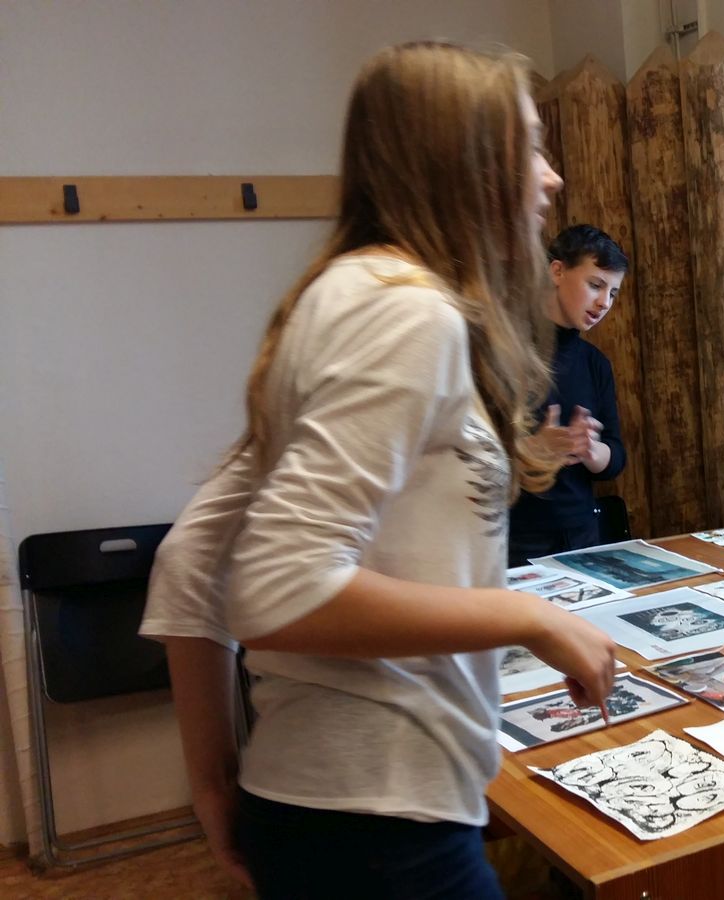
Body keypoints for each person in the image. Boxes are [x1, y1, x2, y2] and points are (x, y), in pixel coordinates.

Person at [137, 42, 618, 899]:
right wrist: (527, 616)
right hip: (376, 820)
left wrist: (213, 781)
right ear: (466, 160)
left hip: (340, 809)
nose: (551, 178)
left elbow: (193, 553)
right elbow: (281, 588)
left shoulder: (352, 292)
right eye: (531, 147)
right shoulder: (407, 313)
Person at [506, 224, 628, 564]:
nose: (604, 303)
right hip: (515, 539)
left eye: (613, 293)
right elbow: (470, 456)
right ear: (557, 271)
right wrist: (533, 450)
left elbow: (615, 457)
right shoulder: (506, 352)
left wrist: (591, 449)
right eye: (595, 285)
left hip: (583, 534)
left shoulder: (595, 363)